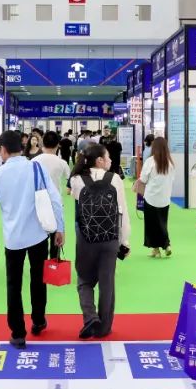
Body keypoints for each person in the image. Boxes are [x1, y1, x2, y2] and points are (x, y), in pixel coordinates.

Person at [0, 130, 65, 349]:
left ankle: (18, 333)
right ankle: (38, 321)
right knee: (38, 280)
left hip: (13, 239)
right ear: (21, 147)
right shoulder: (36, 167)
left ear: (2, 150)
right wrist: (60, 228)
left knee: (13, 284)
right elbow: (55, 198)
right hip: (38, 234)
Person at [69, 142, 130, 339]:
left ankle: (90, 317)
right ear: (99, 160)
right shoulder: (115, 180)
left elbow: (75, 199)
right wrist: (124, 241)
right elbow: (122, 212)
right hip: (110, 237)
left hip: (86, 238)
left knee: (84, 280)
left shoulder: (77, 180)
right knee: (107, 283)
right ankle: (104, 328)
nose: (110, 160)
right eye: (108, 157)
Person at [137, 136, 174, 258]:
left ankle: (156, 249)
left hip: (151, 197)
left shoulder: (150, 161)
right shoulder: (170, 163)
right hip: (165, 198)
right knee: (162, 222)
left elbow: (143, 179)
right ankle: (166, 245)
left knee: (151, 224)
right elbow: (172, 180)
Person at [32, 131, 71, 196]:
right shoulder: (62, 163)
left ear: (43, 143)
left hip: (38, 198)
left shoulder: (33, 161)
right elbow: (70, 180)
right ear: (58, 145)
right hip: (56, 197)